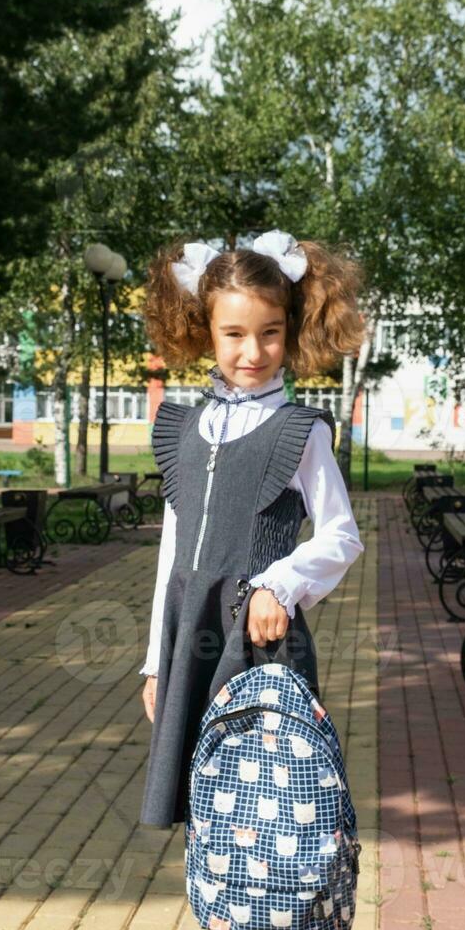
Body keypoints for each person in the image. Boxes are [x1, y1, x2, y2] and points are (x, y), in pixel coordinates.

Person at [136, 229, 367, 830]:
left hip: (259, 643)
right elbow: (172, 550)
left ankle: (281, 915)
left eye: (270, 332)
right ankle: (221, 913)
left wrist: (281, 583)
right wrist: (156, 663)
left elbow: (341, 535)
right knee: (205, 804)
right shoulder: (184, 429)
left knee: (268, 805)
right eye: (233, 334)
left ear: (291, 331)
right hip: (190, 635)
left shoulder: (301, 430)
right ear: (205, 330)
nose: (252, 351)